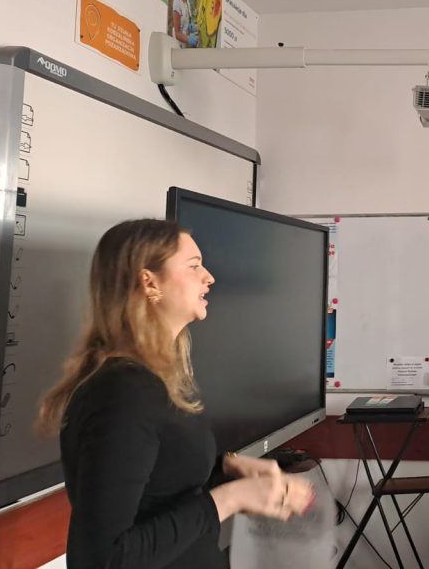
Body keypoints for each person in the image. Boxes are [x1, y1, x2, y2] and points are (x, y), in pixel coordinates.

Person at [37, 219, 314, 569]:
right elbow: (102, 559)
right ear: (149, 282)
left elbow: (158, 489)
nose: (209, 277)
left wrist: (225, 471)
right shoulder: (122, 394)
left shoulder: (154, 381)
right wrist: (228, 499)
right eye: (194, 266)